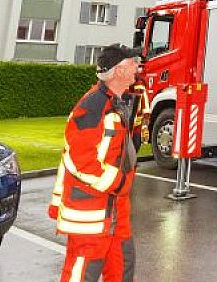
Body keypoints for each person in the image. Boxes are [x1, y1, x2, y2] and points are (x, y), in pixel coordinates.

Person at [48, 44, 148, 281]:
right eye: (133, 63)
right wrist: (121, 183)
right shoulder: (93, 106)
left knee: (123, 265)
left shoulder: (116, 102)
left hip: (114, 209)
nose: (138, 67)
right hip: (91, 211)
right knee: (83, 272)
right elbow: (81, 161)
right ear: (118, 71)